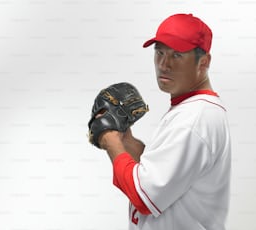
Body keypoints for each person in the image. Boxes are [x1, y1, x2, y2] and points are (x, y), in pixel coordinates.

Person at [97, 13, 231, 230]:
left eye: (177, 55)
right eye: (159, 52)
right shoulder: (191, 108)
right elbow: (162, 170)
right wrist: (126, 141)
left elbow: (143, 197)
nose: (164, 64)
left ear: (204, 62)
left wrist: (111, 141)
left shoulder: (194, 119)